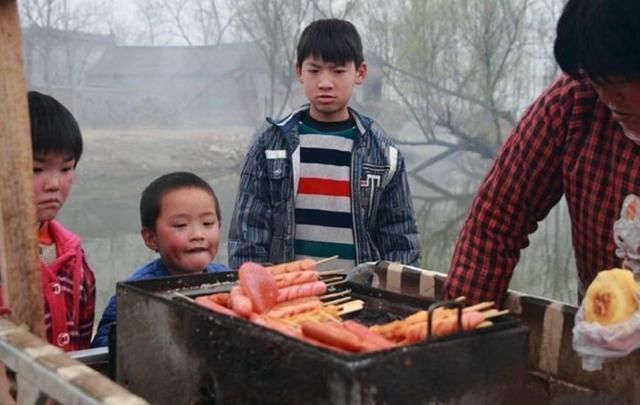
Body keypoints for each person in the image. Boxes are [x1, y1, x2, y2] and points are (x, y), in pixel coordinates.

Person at [444, 0, 640, 305]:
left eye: (625, 80)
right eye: (599, 78)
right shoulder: (574, 103)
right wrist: (464, 331)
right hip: (600, 329)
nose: (610, 97)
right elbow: (497, 219)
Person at [228, 18, 421, 271]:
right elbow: (247, 234)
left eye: (338, 71)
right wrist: (257, 291)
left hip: (360, 299)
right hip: (289, 297)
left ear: (360, 73)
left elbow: (400, 239)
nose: (325, 82)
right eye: (314, 70)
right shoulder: (270, 148)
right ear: (299, 71)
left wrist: (395, 297)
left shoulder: (384, 155)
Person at [91, 171, 229, 347]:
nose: (198, 235)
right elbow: (104, 348)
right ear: (151, 238)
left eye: (208, 223)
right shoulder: (137, 294)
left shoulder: (229, 281)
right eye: (181, 225)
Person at [22, 91, 96, 351]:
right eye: (36, 169)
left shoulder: (74, 258)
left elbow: (82, 345)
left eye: (66, 169)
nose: (54, 185)